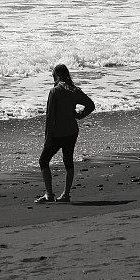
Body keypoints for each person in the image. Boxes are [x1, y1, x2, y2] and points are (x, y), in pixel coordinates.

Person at [35, 64, 95, 204]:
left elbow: (50, 118)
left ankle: (49, 194)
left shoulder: (54, 91)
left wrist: (47, 138)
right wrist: (79, 115)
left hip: (57, 133)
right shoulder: (74, 89)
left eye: (53, 76)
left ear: (56, 76)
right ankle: (66, 194)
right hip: (72, 131)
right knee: (68, 161)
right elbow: (91, 105)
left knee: (43, 160)